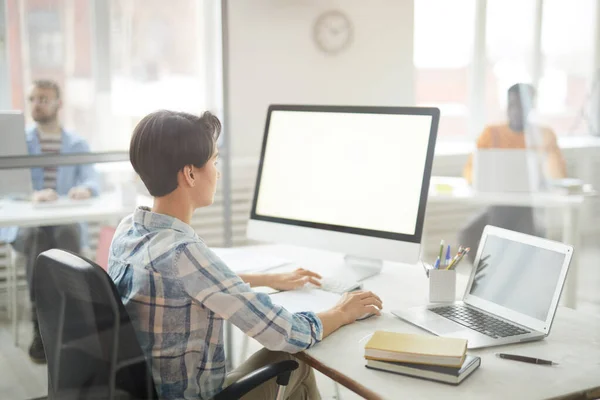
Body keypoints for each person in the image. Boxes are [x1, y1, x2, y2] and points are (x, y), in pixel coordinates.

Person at [108, 110, 383, 400]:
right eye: (214, 162)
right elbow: (285, 332)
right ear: (190, 174)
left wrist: (265, 279)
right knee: (296, 360)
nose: (218, 171)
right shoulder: (183, 254)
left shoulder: (130, 231)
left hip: (146, 391)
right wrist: (342, 312)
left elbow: (177, 285)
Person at [1, 79, 100, 363]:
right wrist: (31, 194)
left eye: (43, 99)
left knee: (67, 235)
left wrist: (86, 189)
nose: (37, 104)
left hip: (63, 221)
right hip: (28, 226)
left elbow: (92, 178)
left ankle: (71, 326)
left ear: (58, 103)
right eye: (33, 99)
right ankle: (40, 328)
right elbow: (6, 184)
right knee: (37, 240)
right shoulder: (18, 142)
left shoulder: (76, 143)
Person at [459, 83, 567, 263]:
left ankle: (497, 274)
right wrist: (480, 181)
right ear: (507, 106)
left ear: (531, 106)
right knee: (467, 234)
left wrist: (544, 164)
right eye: (512, 104)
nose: (516, 110)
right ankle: (483, 277)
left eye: (522, 105)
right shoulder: (491, 133)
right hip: (498, 204)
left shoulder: (544, 135)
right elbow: (470, 170)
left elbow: (558, 176)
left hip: (529, 206)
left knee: (505, 229)